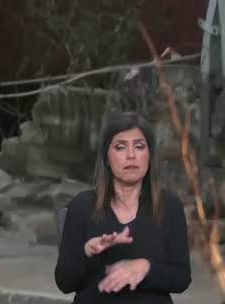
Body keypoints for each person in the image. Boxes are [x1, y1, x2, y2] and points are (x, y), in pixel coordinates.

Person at [54, 111, 191, 302]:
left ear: (150, 155)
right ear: (107, 158)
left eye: (139, 146)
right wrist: (87, 252)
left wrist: (145, 268)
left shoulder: (169, 206)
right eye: (120, 147)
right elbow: (64, 283)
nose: (131, 155)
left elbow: (181, 278)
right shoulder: (82, 206)